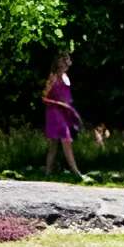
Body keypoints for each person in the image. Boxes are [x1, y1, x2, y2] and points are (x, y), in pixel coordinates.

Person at [42, 49, 86, 180]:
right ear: (59, 62)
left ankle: (47, 173)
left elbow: (68, 99)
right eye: (65, 59)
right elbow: (44, 98)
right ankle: (76, 173)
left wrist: (72, 112)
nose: (68, 62)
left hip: (65, 113)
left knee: (54, 145)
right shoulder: (53, 77)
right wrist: (59, 104)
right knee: (66, 140)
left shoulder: (66, 78)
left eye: (68, 59)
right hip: (54, 113)